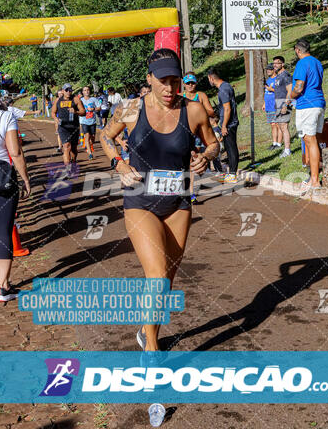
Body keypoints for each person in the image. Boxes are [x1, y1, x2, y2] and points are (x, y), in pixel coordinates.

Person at [100, 48, 219, 353]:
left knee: (167, 278)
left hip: (178, 202)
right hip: (140, 199)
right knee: (156, 275)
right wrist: (118, 163)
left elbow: (213, 143)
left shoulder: (193, 110)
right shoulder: (131, 108)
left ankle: (146, 330)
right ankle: (152, 350)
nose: (169, 88)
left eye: (175, 81)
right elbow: (105, 136)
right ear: (149, 78)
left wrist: (205, 157)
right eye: (163, 80)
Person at [0, 95, 31, 301]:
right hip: (2, 179)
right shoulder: (6, 117)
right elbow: (15, 152)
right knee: (3, 230)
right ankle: (3, 286)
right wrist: (25, 179)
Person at [290, 39, 326, 190]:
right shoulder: (317, 62)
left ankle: (315, 181)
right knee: (311, 140)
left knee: (310, 140)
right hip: (318, 103)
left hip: (307, 105)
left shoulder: (302, 63)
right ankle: (312, 177)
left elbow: (298, 88)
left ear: (298, 50)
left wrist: (290, 97)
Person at [182, 72, 215, 202]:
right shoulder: (180, 96)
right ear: (184, 84)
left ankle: (190, 193)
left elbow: (211, 111)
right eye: (188, 83)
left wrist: (198, 110)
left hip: (197, 133)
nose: (190, 85)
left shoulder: (200, 95)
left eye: (193, 82)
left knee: (192, 161)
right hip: (183, 132)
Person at [207, 67, 239, 183]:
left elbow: (227, 109)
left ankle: (232, 174)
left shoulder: (223, 90)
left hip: (229, 124)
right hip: (230, 123)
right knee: (230, 148)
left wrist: (224, 125)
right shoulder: (226, 86)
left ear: (211, 78)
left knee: (231, 148)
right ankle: (231, 173)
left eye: (208, 79)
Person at [51, 84, 85, 175]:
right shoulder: (58, 100)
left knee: (73, 149)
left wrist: (76, 112)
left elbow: (83, 112)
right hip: (63, 127)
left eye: (70, 90)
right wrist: (56, 119)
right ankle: (67, 169)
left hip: (74, 127)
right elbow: (53, 112)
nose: (68, 92)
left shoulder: (76, 99)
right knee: (66, 147)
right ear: (62, 91)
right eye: (66, 90)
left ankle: (73, 162)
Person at [272, 56, 293, 159]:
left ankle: (287, 150)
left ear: (282, 64)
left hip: (284, 103)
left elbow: (290, 90)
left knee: (284, 127)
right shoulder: (278, 76)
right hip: (277, 103)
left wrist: (286, 104)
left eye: (277, 63)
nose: (275, 65)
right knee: (280, 126)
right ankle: (286, 148)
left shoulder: (286, 75)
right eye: (274, 63)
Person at [262, 64, 282, 150]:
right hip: (269, 106)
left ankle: (279, 143)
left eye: (269, 69)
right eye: (267, 70)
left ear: (274, 70)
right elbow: (266, 92)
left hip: (276, 105)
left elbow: (282, 91)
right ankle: (274, 143)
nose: (268, 71)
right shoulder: (268, 80)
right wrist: (264, 103)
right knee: (273, 124)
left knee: (278, 125)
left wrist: (272, 90)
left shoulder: (278, 79)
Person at [79, 86, 101, 160]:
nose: (87, 91)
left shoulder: (93, 99)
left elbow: (99, 107)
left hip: (92, 121)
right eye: (85, 90)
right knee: (87, 136)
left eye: (88, 90)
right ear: (83, 92)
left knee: (93, 139)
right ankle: (90, 153)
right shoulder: (80, 100)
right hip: (84, 121)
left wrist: (93, 109)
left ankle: (88, 146)